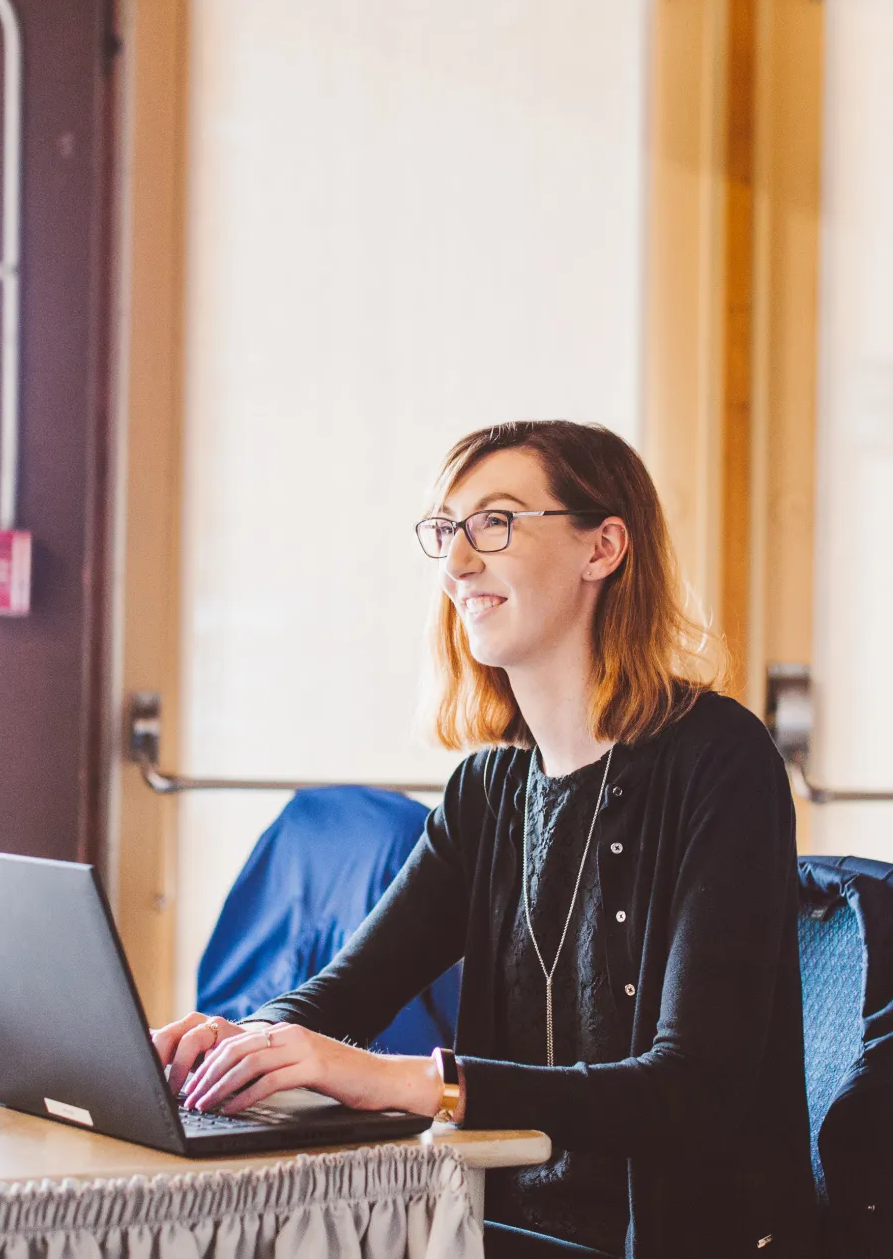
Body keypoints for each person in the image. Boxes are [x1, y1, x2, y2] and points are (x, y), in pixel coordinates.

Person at [153, 420, 817, 1259]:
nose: (458, 563)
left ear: (603, 547)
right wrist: (236, 1042)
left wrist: (408, 1080)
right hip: (488, 1226)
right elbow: (340, 999)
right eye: (446, 530)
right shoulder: (489, 788)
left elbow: (693, 1089)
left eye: (494, 523)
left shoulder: (720, 757)